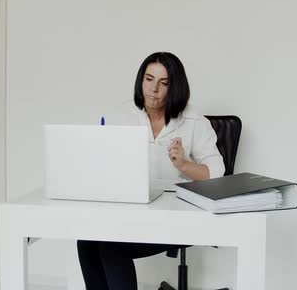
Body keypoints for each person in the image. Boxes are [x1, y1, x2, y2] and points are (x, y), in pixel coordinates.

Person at [76, 52, 225, 290]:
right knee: (86, 241)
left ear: (175, 87)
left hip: (177, 219)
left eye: (163, 83)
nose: (153, 89)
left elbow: (217, 173)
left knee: (111, 246)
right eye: (149, 79)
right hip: (133, 214)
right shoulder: (123, 115)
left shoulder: (194, 121)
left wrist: (184, 164)